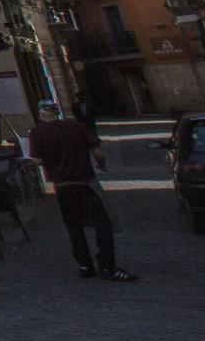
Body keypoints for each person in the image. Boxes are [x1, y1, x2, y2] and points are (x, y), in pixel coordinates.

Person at [28, 101, 133, 281]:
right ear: (56, 112)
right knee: (103, 224)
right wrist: (102, 165)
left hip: (62, 185)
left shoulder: (37, 133)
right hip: (85, 181)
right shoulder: (76, 126)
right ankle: (108, 265)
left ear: (41, 114)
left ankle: (85, 264)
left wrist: (49, 164)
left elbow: (36, 160)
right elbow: (98, 152)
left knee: (74, 226)